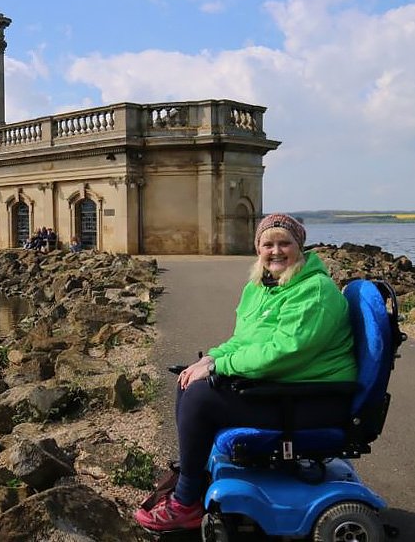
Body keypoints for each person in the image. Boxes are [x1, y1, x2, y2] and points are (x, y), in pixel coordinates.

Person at [134, 213, 357, 533]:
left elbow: (284, 353)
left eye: (285, 243)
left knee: (200, 398)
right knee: (189, 380)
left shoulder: (315, 290)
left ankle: (185, 503)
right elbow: (243, 341)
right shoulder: (261, 286)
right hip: (287, 387)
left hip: (314, 397)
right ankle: (190, 476)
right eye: (268, 244)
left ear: (300, 247)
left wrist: (220, 367)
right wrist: (210, 359)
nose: (276, 251)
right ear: (258, 249)